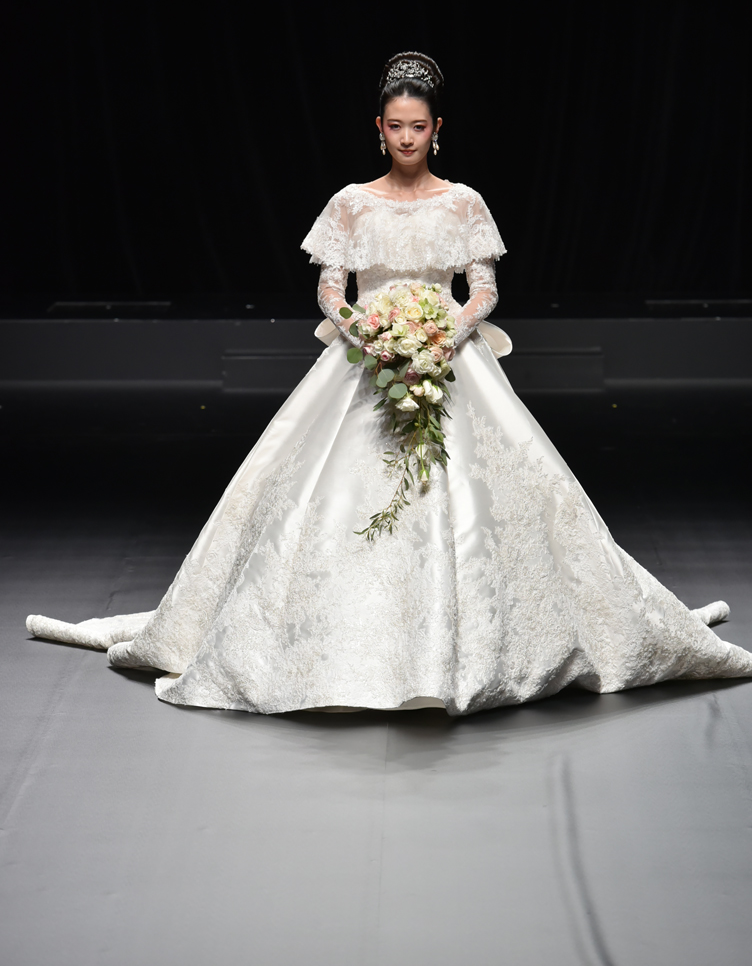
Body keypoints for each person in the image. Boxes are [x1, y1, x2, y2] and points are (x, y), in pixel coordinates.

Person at [26, 51, 752, 715]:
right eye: (396, 126)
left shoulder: (463, 202)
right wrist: (367, 333)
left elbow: (484, 288)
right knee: (321, 496)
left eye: (419, 127)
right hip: (367, 357)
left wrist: (445, 335)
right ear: (379, 129)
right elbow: (330, 290)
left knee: (499, 493)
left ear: (438, 130)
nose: (408, 138)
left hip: (447, 355)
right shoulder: (351, 202)